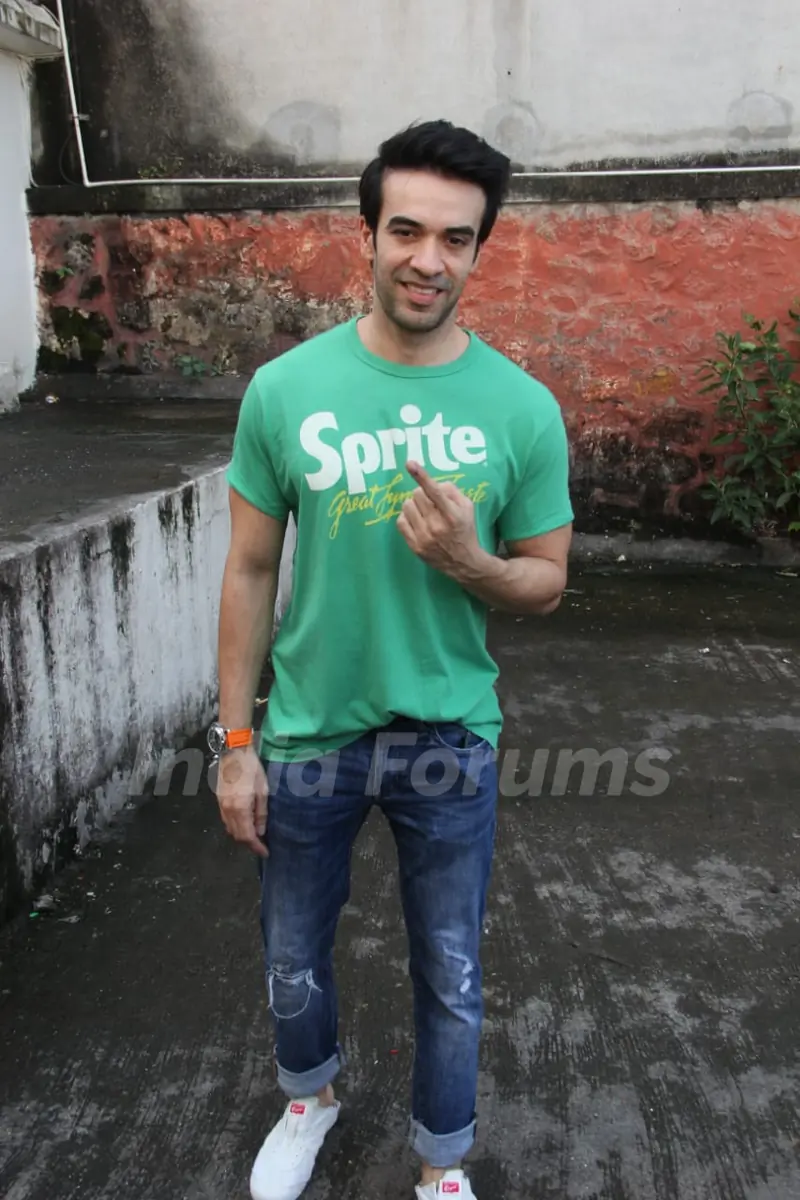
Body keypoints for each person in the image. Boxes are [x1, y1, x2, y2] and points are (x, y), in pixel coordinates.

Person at [210, 119, 574, 1200]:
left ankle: (440, 1163)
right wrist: (235, 742)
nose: (428, 258)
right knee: (290, 955)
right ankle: (309, 1097)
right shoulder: (285, 390)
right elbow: (246, 573)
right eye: (405, 230)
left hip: (448, 735)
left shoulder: (520, 407)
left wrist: (471, 561)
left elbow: (545, 580)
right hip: (309, 731)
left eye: (454, 239)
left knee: (450, 972)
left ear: (478, 250)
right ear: (364, 235)